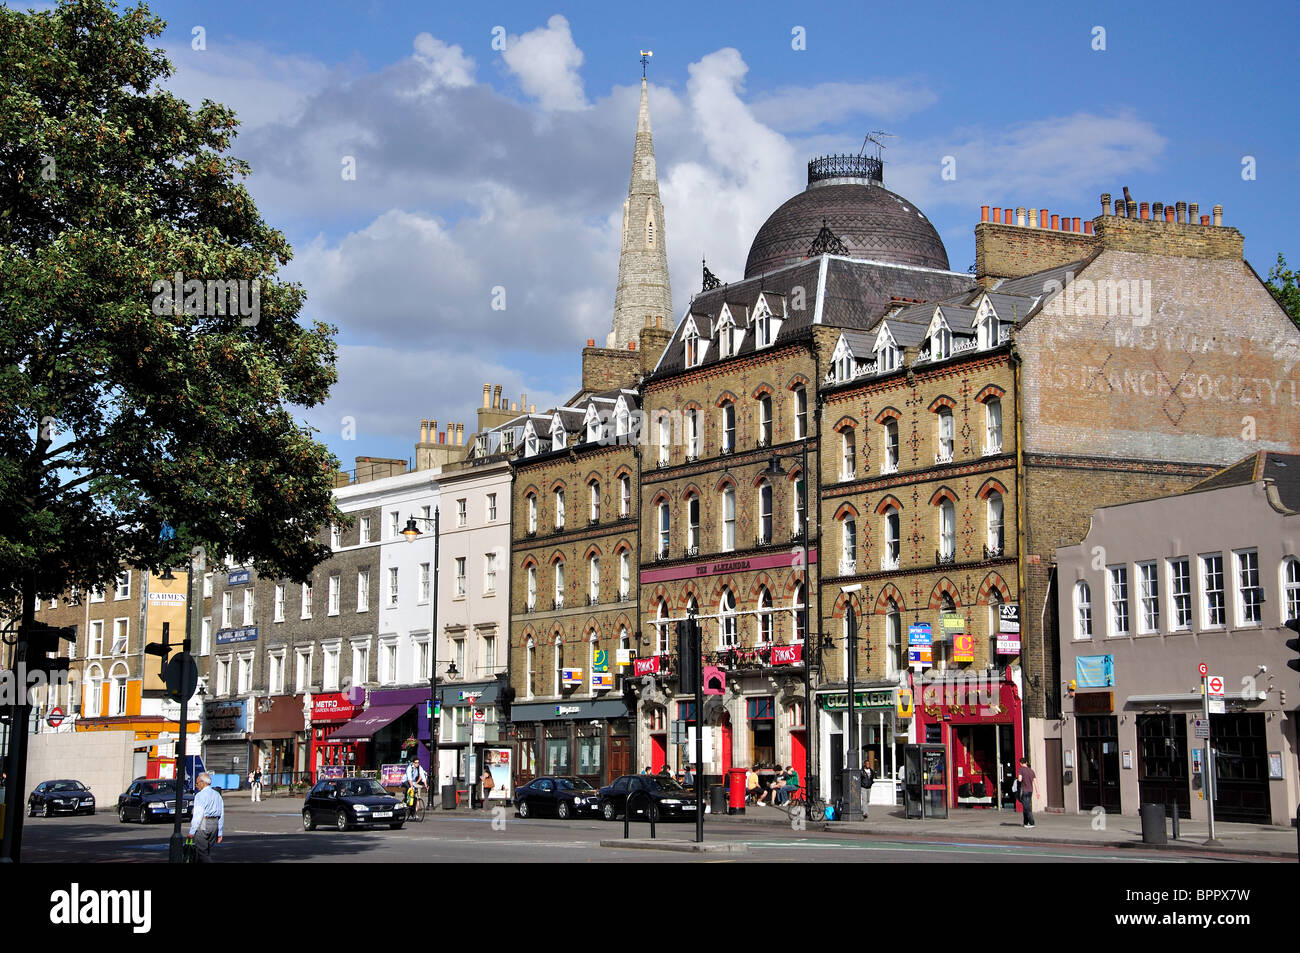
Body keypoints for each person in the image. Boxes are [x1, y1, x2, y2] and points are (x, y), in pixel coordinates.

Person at [188, 773, 225, 863]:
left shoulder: (200, 795)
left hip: (204, 821)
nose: (196, 786)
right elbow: (221, 814)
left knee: (202, 852)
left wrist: (192, 831)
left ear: (202, 782)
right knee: (206, 850)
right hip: (214, 823)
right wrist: (219, 832)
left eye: (197, 783)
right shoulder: (217, 795)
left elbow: (198, 814)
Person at [1016, 757, 1037, 829]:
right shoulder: (1031, 771)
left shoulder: (1021, 769)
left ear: (1021, 763)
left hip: (1024, 790)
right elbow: (1035, 781)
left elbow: (1020, 779)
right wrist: (1038, 791)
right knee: (1025, 807)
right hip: (1030, 790)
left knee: (1026, 807)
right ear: (1026, 762)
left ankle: (1031, 822)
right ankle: (1025, 822)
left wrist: (1018, 780)